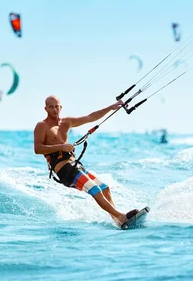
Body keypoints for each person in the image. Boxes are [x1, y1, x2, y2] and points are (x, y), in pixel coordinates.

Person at [34, 95, 140, 228]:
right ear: (45, 109)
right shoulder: (42, 126)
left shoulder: (66, 122)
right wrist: (61, 146)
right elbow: (37, 149)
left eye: (57, 106)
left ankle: (118, 220)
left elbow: (91, 117)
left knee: (105, 188)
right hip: (63, 169)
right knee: (94, 189)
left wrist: (111, 107)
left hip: (75, 165)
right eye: (51, 107)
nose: (55, 109)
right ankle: (121, 216)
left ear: (61, 107)